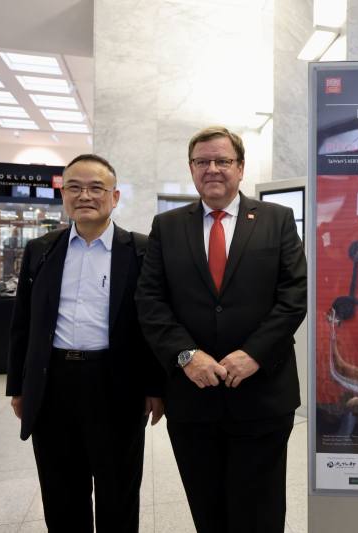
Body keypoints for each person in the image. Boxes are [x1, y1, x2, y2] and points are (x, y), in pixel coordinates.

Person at [135, 126, 307, 533]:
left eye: (222, 161)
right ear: (192, 169)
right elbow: (150, 301)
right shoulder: (167, 226)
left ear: (240, 168)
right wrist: (186, 356)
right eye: (202, 162)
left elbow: (293, 295)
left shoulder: (276, 220)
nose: (212, 169)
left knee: (260, 512)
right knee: (207, 510)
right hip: (193, 397)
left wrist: (254, 354)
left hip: (263, 394)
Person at [6, 154, 165, 533]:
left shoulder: (141, 251)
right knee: (61, 493)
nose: (85, 196)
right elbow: (23, 324)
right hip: (52, 384)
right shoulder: (41, 249)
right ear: (63, 194)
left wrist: (156, 386)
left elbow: (155, 325)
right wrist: (18, 386)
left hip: (116, 384)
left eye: (96, 188)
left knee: (118, 493)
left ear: (115, 197)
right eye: (74, 187)